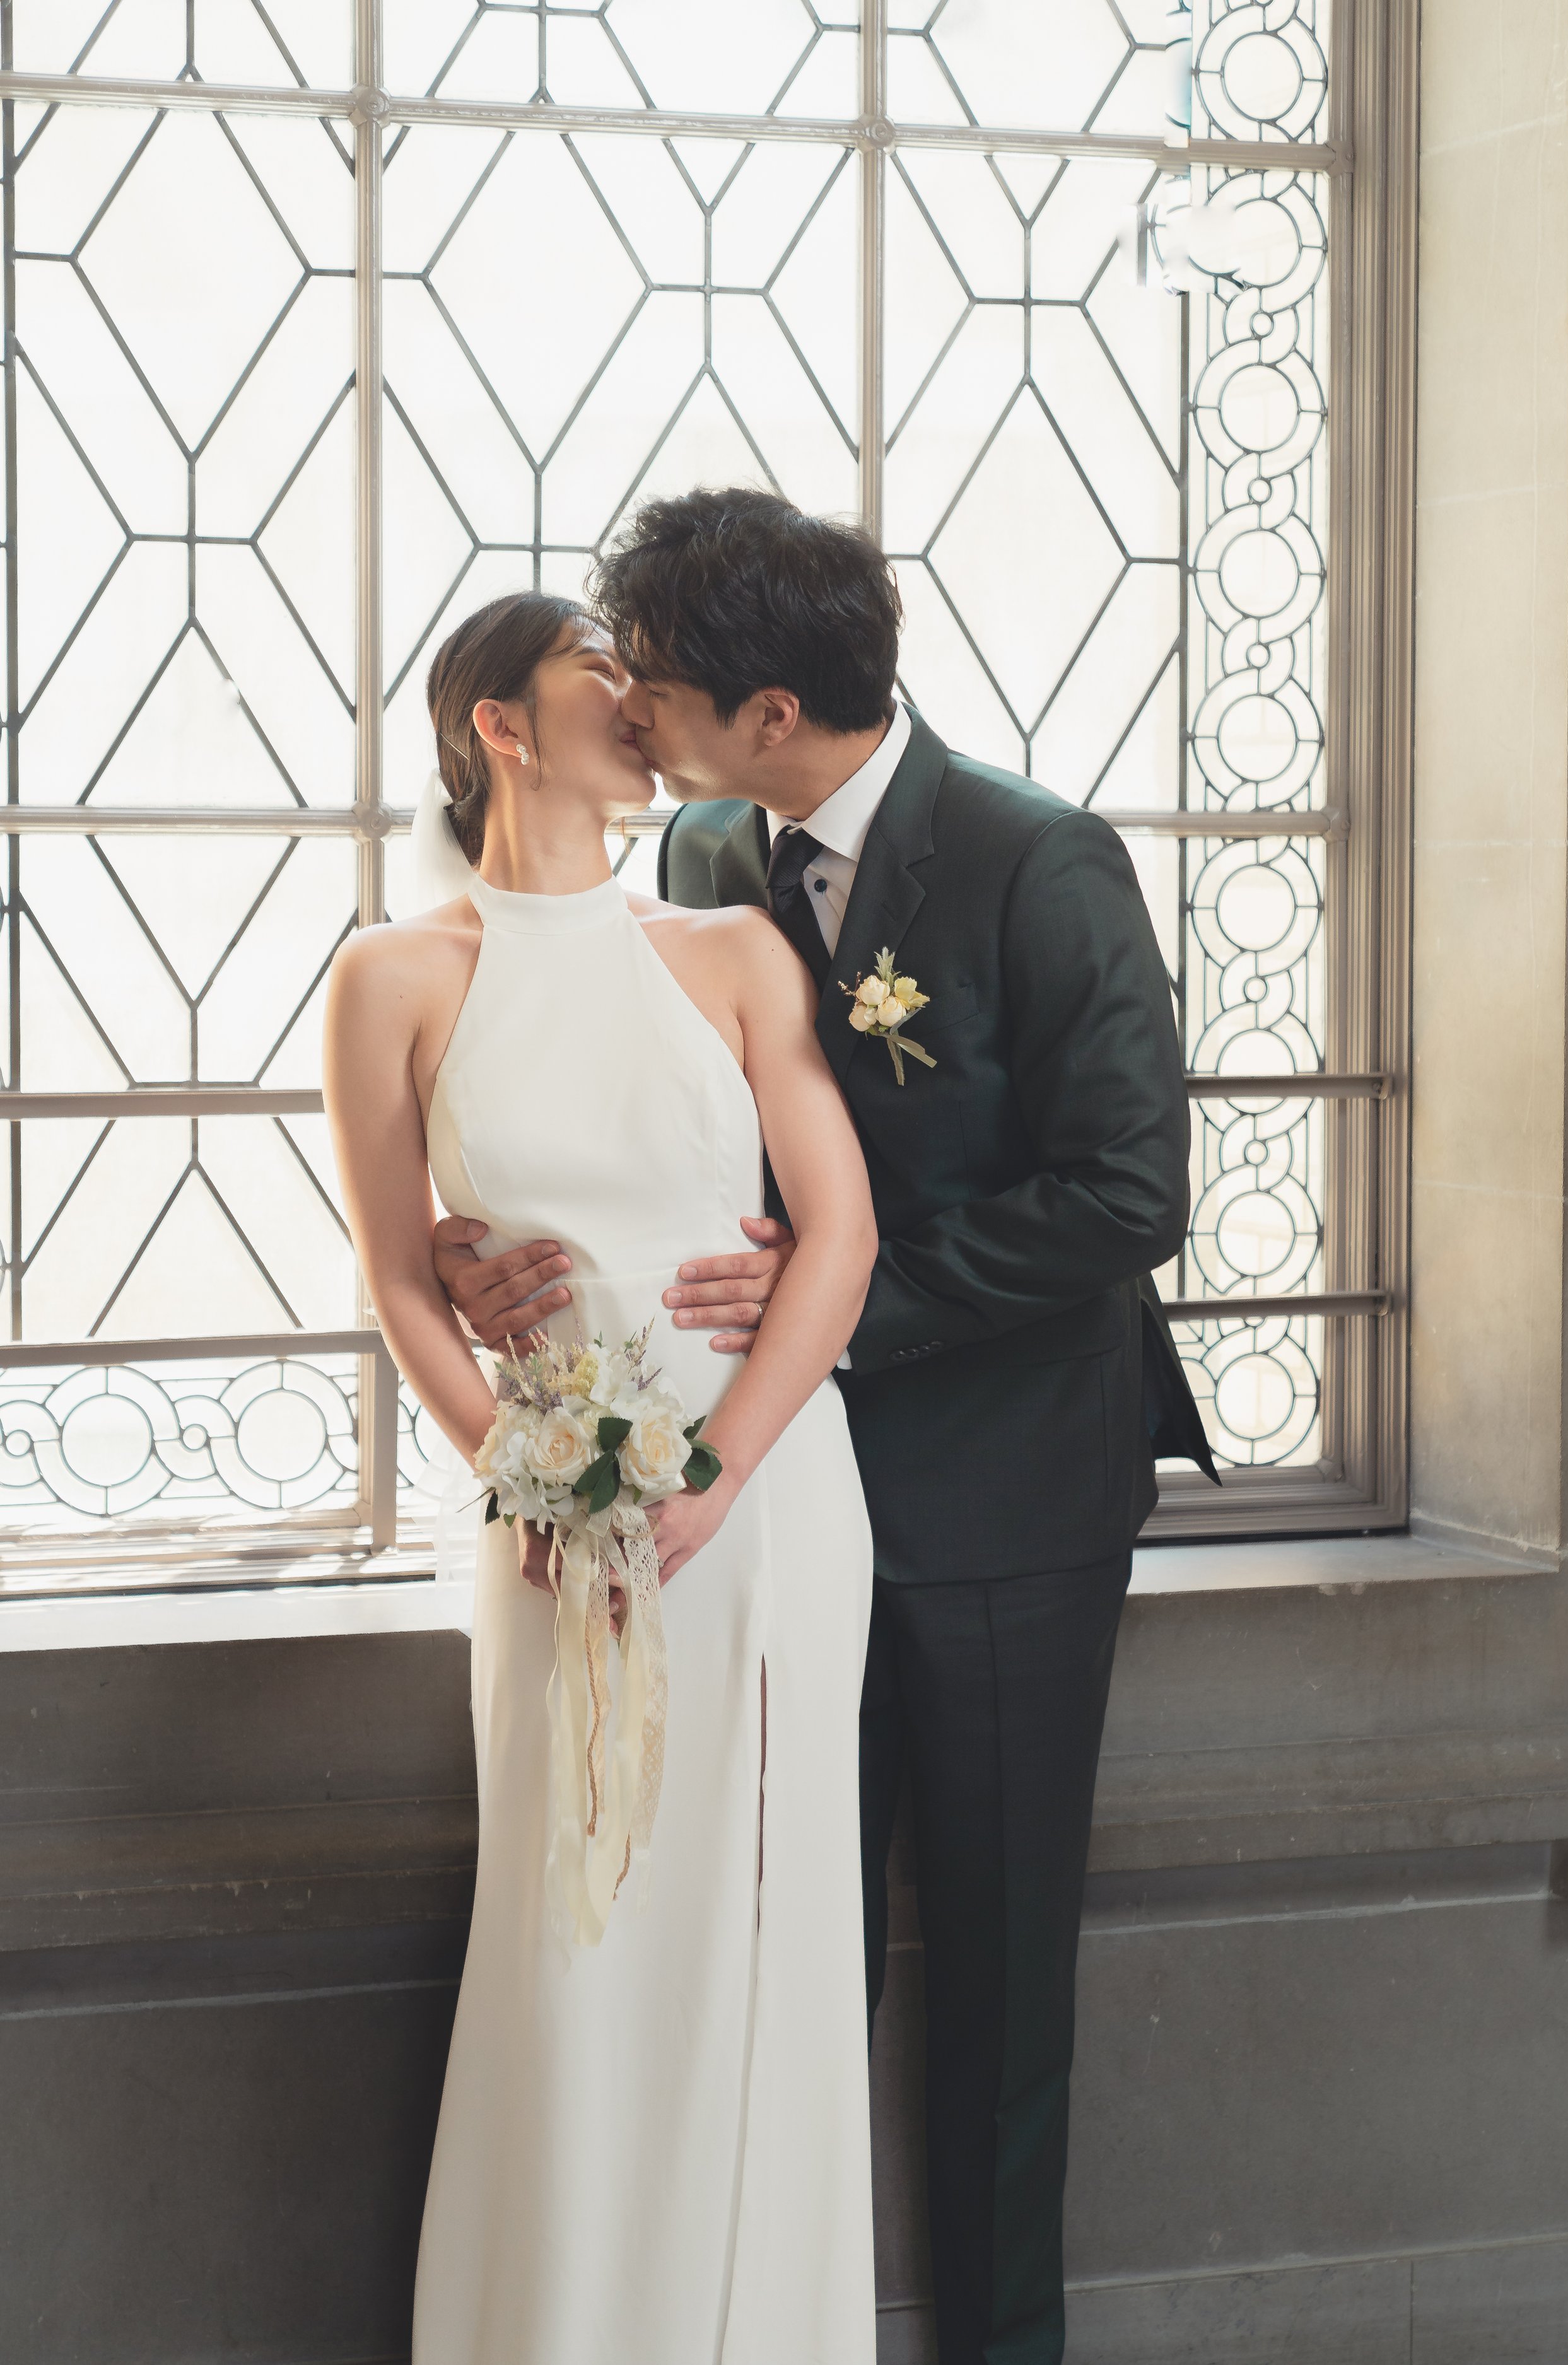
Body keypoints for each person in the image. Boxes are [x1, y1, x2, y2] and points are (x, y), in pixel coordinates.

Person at [435, 492, 1217, 2365]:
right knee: (781, 1956)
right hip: (773, 1520)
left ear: (769, 710)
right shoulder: (704, 845)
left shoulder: (1042, 861)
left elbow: (1128, 1194)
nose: (631, 715)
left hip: (1010, 1494)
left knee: (1002, 1979)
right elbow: (598, 1099)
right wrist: (482, 1246)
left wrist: (839, 1295)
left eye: (662, 691)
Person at [323, 590, 879, 2365]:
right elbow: (402, 1275)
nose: (642, 706)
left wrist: (715, 1471)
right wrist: (528, 1481)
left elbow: (840, 1237)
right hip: (562, 1517)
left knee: (767, 1924)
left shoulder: (728, 951)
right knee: (580, 1928)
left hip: (775, 1495)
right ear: (498, 722)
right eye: (600, 678)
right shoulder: (394, 975)